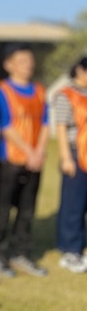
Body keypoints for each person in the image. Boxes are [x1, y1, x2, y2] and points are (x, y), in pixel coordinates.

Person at [0, 43, 49, 277]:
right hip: (11, 160)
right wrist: (28, 151)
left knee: (27, 210)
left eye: (30, 60)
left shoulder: (39, 91)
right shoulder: (2, 90)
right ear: (9, 65)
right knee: (4, 209)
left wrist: (39, 152)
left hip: (34, 161)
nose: (28, 65)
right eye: (22, 61)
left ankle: (21, 253)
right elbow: (6, 126)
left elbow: (45, 123)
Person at [54, 57, 87, 273]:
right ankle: (70, 249)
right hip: (76, 154)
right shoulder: (66, 95)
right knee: (73, 205)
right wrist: (66, 158)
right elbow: (61, 128)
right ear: (78, 71)